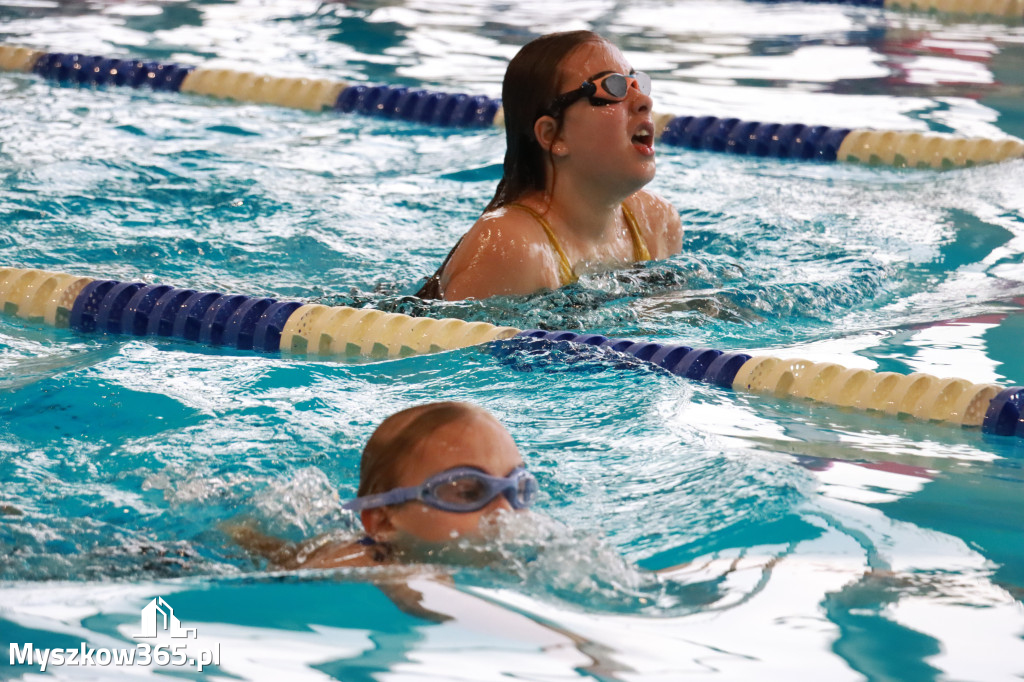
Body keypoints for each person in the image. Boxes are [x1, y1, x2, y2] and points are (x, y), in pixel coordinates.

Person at [416, 30, 683, 300]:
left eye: (636, 84)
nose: (645, 102)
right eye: (613, 87)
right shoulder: (512, 245)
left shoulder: (654, 221)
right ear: (552, 135)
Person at [226, 401, 538, 569]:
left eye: (518, 489)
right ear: (384, 520)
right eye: (468, 492)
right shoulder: (368, 566)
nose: (504, 509)